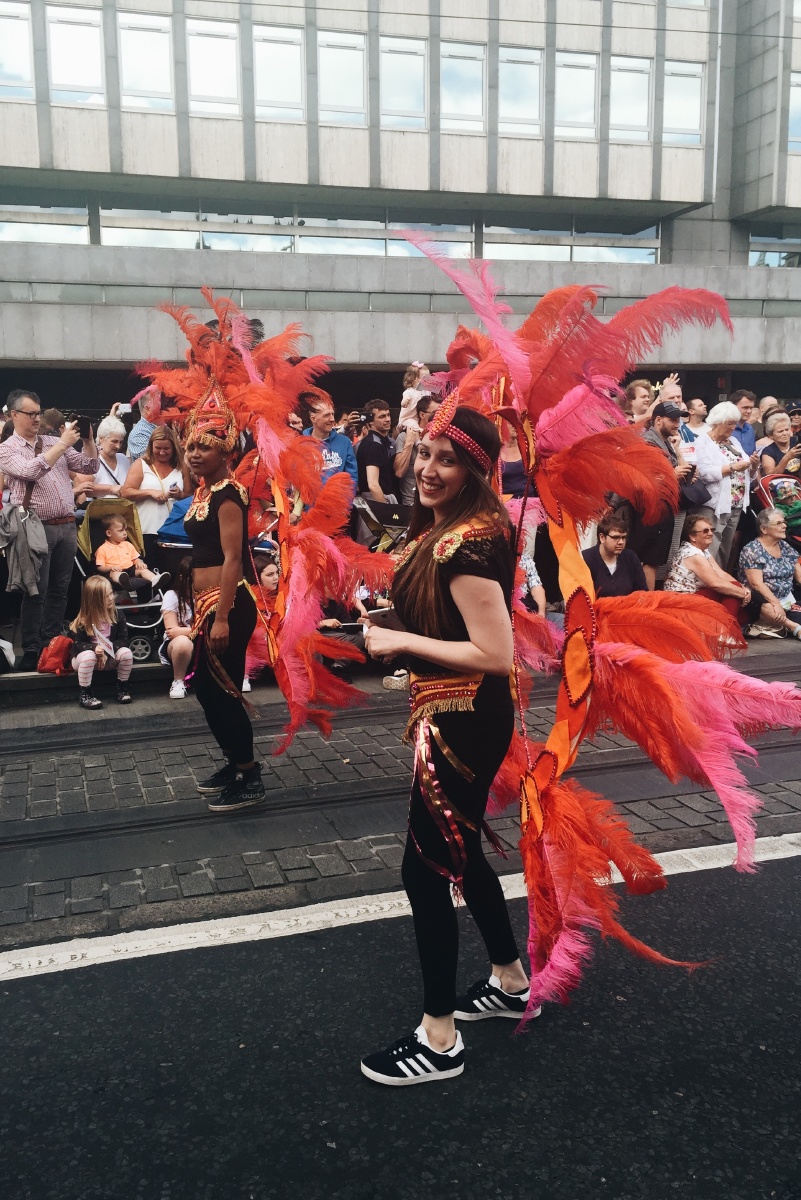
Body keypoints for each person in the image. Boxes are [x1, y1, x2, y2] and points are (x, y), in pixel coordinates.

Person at [360, 404, 530, 1087]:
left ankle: (438, 1040)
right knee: (453, 849)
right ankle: (510, 978)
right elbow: (453, 616)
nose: (428, 469)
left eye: (447, 460)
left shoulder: (468, 543)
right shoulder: (451, 529)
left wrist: (400, 640)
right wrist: (393, 619)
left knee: (423, 868)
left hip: (465, 717)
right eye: (424, 453)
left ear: (475, 471)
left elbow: (495, 652)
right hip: (450, 710)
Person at [183, 393, 265, 812]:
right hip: (206, 603)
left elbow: (234, 558)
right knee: (204, 688)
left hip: (226, 605)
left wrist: (222, 617)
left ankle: (248, 774)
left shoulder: (228, 494)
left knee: (224, 691)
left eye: (204, 446)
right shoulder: (203, 492)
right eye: (191, 445)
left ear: (226, 449)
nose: (194, 453)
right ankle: (235, 763)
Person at [0, 390, 99, 671]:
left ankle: (53, 641)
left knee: (60, 589)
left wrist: (89, 440)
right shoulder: (7, 449)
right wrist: (63, 444)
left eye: (38, 413)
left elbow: (90, 465)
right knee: (36, 591)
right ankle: (31, 647)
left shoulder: (54, 441)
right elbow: (31, 471)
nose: (35, 418)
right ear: (13, 416)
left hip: (66, 524)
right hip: (34, 526)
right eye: (30, 413)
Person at [694, 401, 758, 568]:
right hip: (715, 504)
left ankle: (720, 582)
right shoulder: (703, 442)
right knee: (710, 545)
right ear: (717, 422)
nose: (733, 427)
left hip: (736, 504)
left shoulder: (734, 442)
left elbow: (749, 475)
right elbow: (704, 474)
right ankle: (705, 583)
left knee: (725, 548)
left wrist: (754, 465)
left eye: (734, 424)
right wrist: (732, 467)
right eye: (729, 424)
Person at [663, 511, 751, 618]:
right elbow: (716, 583)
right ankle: (725, 628)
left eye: (711, 530)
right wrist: (742, 593)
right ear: (692, 536)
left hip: (694, 596)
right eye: (705, 531)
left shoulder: (703, 551)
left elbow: (721, 574)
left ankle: (725, 625)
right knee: (732, 592)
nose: (710, 533)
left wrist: (742, 588)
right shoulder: (692, 554)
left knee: (739, 603)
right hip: (681, 602)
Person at [121, 425, 190, 559]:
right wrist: (150, 492)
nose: (162, 452)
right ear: (151, 447)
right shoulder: (141, 464)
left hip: (173, 532)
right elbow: (125, 492)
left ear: (173, 448)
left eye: (166, 448)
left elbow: (190, 496)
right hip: (146, 530)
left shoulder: (181, 466)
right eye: (158, 448)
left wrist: (180, 494)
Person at [69, 575, 133, 710]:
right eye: (105, 596)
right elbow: (77, 644)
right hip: (87, 660)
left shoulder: (117, 614)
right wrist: (94, 648)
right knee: (88, 656)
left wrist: (106, 650)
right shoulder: (84, 619)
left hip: (107, 658)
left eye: (111, 593)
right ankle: (85, 693)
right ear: (94, 600)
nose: (111, 598)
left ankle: (122, 686)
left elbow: (123, 639)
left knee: (126, 653)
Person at [739, 509, 801, 639]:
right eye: (778, 523)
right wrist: (776, 604)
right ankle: (792, 627)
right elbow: (756, 584)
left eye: (783, 523)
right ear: (764, 529)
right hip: (762, 600)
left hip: (787, 598)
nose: (784, 526)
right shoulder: (752, 550)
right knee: (768, 607)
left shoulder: (785, 546)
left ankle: (780, 624)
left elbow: (799, 576)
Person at [299, 390, 358, 488]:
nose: (332, 419)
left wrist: (346, 500)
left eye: (332, 414)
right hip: (312, 502)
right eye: (326, 415)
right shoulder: (301, 444)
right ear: (313, 418)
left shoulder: (344, 442)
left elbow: (352, 478)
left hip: (340, 502)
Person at [582, 512, 648, 597]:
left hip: (627, 608)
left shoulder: (631, 558)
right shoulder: (586, 559)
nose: (621, 542)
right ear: (602, 537)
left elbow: (642, 593)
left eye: (624, 538)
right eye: (616, 538)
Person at [95, 515, 168, 590]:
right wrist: (110, 567)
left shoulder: (128, 545)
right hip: (114, 571)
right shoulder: (102, 549)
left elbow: (135, 558)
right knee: (114, 574)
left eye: (125, 530)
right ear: (109, 533)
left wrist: (139, 562)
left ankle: (155, 579)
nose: (125, 533)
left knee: (142, 570)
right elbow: (100, 567)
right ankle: (122, 581)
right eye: (120, 530)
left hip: (130, 569)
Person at [393, 396, 441, 506]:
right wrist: (410, 443)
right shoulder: (404, 437)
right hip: (411, 505)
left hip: (435, 504)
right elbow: (399, 472)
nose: (438, 417)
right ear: (422, 414)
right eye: (435, 413)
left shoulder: (440, 439)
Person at [159, 554, 194, 699]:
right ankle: (178, 681)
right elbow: (172, 631)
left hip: (200, 641)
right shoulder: (171, 595)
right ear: (182, 577)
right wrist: (199, 630)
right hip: (176, 644)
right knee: (182, 642)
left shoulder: (207, 593)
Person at [74, 416, 130, 500]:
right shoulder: (90, 459)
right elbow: (81, 488)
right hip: (98, 509)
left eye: (121, 442)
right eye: (114, 441)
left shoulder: (123, 459)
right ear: (101, 438)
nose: (118, 446)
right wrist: (110, 489)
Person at [356, 400, 398, 504]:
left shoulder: (383, 441)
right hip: (376, 502)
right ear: (370, 421)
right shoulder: (373, 444)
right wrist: (386, 510)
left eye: (388, 415)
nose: (388, 419)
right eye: (382, 416)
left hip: (382, 499)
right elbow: (373, 485)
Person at [760, 411, 801, 478]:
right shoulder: (768, 452)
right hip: (779, 486)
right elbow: (770, 476)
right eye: (780, 431)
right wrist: (787, 458)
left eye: (787, 430)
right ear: (771, 435)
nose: (785, 433)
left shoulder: (797, 442)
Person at [499, 419, 527, 498]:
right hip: (504, 503)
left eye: (517, 422)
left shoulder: (528, 449)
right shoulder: (495, 451)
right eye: (510, 422)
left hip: (531, 501)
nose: (514, 425)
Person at [729, 390, 758, 456]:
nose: (749, 411)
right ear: (733, 407)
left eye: (751, 408)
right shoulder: (725, 428)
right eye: (745, 408)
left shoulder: (750, 429)